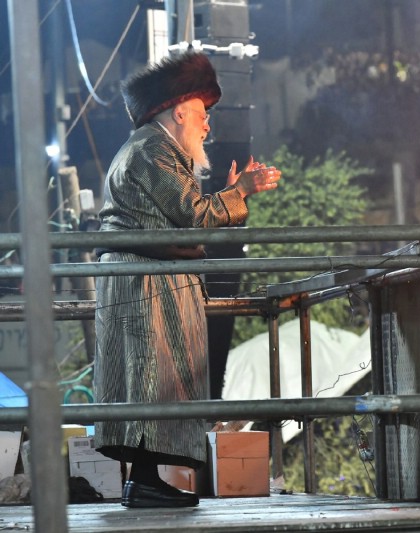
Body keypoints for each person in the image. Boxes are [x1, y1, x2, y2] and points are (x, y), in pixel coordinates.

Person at [93, 50, 281, 508]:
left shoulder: (154, 149)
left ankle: (145, 481)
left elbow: (184, 216)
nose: (207, 126)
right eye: (202, 113)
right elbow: (193, 217)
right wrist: (240, 192)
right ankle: (142, 484)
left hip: (148, 284)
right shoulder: (152, 150)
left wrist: (230, 195)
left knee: (154, 379)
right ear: (178, 111)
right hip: (142, 286)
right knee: (148, 378)